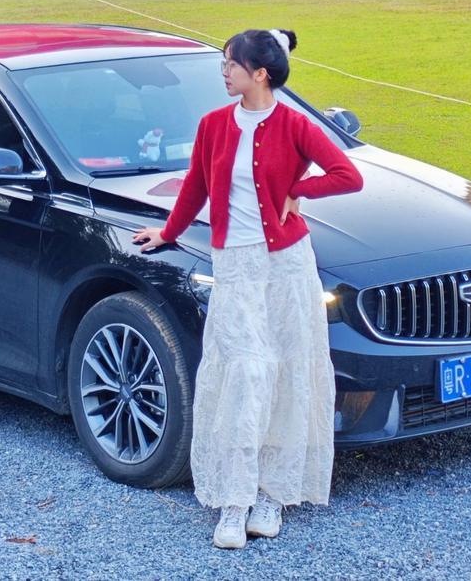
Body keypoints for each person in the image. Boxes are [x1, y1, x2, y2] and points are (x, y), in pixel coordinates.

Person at [133, 28, 363, 550]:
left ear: (259, 73)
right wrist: (167, 232)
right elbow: (195, 185)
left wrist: (296, 192)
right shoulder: (214, 125)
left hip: (286, 267)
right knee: (244, 369)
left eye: (230, 64)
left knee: (283, 370)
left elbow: (347, 175)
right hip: (234, 264)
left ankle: (271, 495)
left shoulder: (294, 125)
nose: (223, 71)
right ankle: (233, 501)